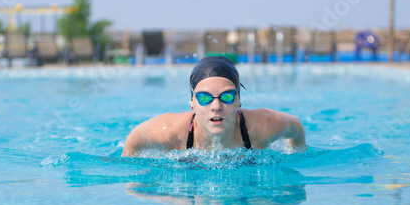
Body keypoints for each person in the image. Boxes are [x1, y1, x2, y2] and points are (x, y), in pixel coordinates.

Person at [122, 56, 306, 156]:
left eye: (227, 96)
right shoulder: (170, 132)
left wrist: (296, 156)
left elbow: (296, 126)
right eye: (204, 98)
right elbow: (133, 141)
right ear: (192, 102)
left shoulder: (262, 127)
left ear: (239, 101)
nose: (216, 106)